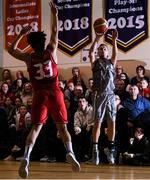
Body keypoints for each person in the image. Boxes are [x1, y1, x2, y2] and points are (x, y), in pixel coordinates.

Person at [8, 1, 80, 178]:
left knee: (35, 128)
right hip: (55, 93)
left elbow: (11, 49)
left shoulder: (28, 57)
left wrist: (21, 34)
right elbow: (56, 32)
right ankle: (70, 152)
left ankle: (26, 156)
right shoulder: (51, 50)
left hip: (39, 94)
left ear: (31, 44)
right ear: (43, 41)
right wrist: (55, 14)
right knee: (62, 128)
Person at [88, 28, 118, 165]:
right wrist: (96, 38)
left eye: (104, 49)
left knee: (112, 122)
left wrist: (113, 41)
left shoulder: (112, 62)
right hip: (98, 95)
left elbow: (115, 53)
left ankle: (110, 149)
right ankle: (95, 151)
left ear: (107, 52)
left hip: (111, 95)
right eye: (100, 49)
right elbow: (90, 53)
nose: (102, 50)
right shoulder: (95, 63)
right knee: (98, 122)